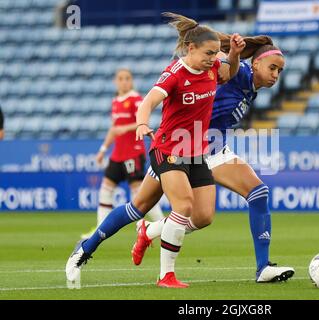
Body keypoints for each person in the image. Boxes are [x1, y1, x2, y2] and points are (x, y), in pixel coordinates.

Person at [65, 12, 245, 288]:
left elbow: (229, 72)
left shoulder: (212, 67)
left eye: (216, 53)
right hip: (167, 149)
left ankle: (131, 236)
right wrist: (141, 123)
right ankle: (165, 276)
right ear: (190, 48)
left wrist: (232, 54)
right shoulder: (174, 74)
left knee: (188, 214)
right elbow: (147, 101)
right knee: (183, 205)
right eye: (209, 53)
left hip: (196, 153)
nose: (213, 58)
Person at [129, 38, 294, 283]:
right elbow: (216, 61)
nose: (276, 74)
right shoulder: (239, 73)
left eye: (279, 71)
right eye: (272, 67)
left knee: (252, 195)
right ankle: (91, 246)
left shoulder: (252, 89)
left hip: (215, 150)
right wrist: (225, 45)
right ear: (256, 64)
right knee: (137, 208)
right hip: (185, 148)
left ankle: (263, 268)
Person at [80, 68, 164, 239]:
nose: (124, 81)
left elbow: (142, 122)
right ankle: (99, 229)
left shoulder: (136, 99)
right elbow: (113, 129)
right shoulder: (116, 101)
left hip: (133, 153)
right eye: (120, 78)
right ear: (115, 81)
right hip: (117, 154)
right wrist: (103, 150)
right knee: (105, 189)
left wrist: (125, 128)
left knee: (140, 193)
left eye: (127, 78)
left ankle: (162, 224)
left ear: (131, 81)